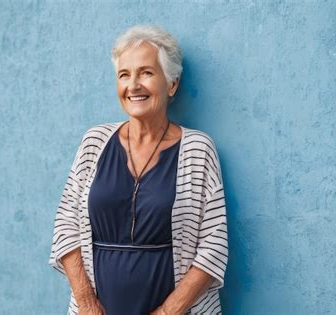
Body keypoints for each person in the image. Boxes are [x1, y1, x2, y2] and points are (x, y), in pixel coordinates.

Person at [49, 25, 228, 315]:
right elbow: (66, 224)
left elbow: (214, 244)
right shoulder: (95, 142)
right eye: (124, 75)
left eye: (146, 72)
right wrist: (87, 304)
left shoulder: (198, 148)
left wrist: (169, 311)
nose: (133, 85)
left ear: (171, 84)